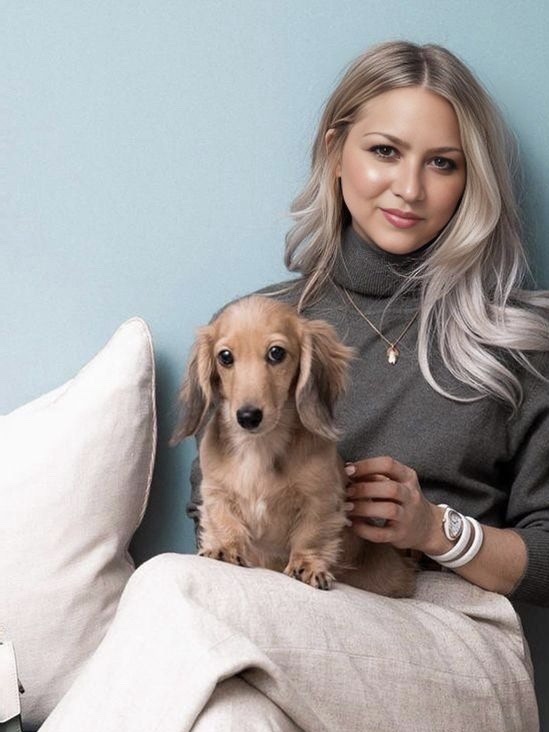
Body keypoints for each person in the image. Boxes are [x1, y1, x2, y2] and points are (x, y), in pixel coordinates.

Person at [41, 41, 547, 732]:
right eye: (384, 151)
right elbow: (218, 529)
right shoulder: (255, 329)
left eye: (442, 163)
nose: (409, 188)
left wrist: (434, 528)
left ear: (470, 180)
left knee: (169, 584)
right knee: (229, 718)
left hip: (450, 635)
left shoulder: (519, 340)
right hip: (288, 615)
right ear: (336, 152)